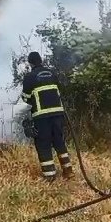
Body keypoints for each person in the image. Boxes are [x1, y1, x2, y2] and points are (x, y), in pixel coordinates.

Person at [20, 51, 73, 182]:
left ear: (30, 63)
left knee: (43, 143)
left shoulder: (29, 77)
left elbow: (26, 98)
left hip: (42, 116)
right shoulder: (53, 73)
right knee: (59, 141)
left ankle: (50, 176)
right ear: (41, 60)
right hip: (57, 115)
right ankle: (68, 171)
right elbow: (60, 91)